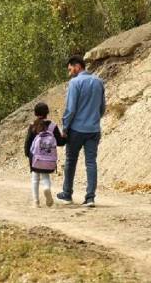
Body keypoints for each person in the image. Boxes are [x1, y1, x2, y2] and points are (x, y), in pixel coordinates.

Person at [56, 55, 106, 208]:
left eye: (70, 69)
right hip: (93, 129)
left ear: (77, 66)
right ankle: (90, 198)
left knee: (71, 161)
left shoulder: (75, 83)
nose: (70, 73)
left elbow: (71, 109)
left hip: (77, 130)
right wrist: (94, 119)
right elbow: (102, 107)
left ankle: (67, 194)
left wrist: (65, 127)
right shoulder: (99, 82)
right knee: (91, 162)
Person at [24, 102, 66, 208]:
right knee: (45, 177)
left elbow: (28, 142)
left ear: (35, 113)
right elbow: (60, 142)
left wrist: (28, 155)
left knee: (35, 178)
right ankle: (46, 188)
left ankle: (36, 202)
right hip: (48, 159)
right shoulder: (52, 126)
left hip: (35, 158)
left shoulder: (33, 125)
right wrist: (65, 137)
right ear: (47, 113)